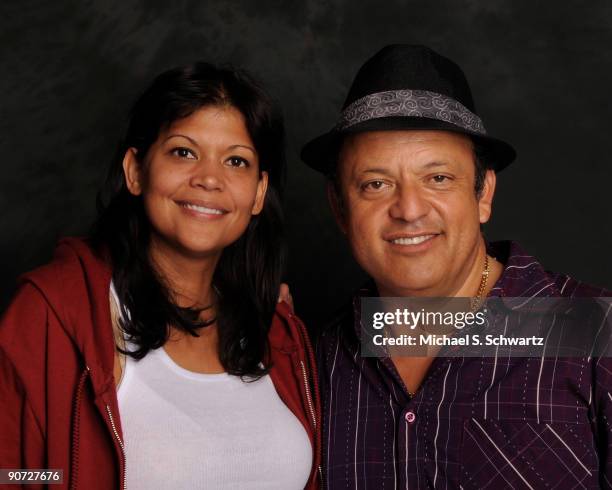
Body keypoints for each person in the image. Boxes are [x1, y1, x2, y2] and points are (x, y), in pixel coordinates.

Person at [301, 44, 611, 488]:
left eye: (438, 178)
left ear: (483, 193)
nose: (408, 209)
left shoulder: (597, 334)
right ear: (339, 208)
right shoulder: (313, 363)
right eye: (376, 184)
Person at [0, 62, 321, 489]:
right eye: (183, 152)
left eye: (236, 161)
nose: (209, 178)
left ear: (258, 193)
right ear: (135, 170)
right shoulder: (54, 310)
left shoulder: (280, 335)